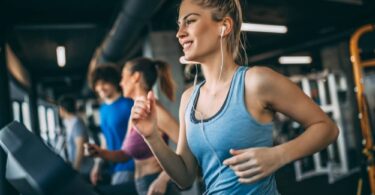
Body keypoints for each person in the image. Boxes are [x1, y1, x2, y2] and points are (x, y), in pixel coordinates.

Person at [130, 0, 340, 194]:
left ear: (224, 26)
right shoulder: (188, 99)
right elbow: (185, 178)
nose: (179, 33)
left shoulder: (255, 81)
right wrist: (152, 137)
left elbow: (327, 127)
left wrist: (279, 155)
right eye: (179, 24)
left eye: (190, 21)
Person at [86, 58, 180, 195]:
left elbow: (188, 147)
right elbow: (125, 154)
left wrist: (163, 179)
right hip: (142, 184)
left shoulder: (154, 110)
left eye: (123, 77)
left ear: (136, 77)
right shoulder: (135, 111)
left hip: (157, 184)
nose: (120, 82)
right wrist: (99, 152)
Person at [89, 65, 135, 186]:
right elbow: (105, 140)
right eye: (97, 84)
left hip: (129, 164)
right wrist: (97, 165)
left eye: (104, 83)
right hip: (112, 165)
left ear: (115, 82)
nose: (100, 88)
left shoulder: (129, 104)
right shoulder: (102, 109)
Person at [58, 95, 93, 177]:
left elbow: (80, 148)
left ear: (62, 109)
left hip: (83, 169)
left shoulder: (77, 124)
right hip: (78, 166)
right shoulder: (69, 123)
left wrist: (75, 170)